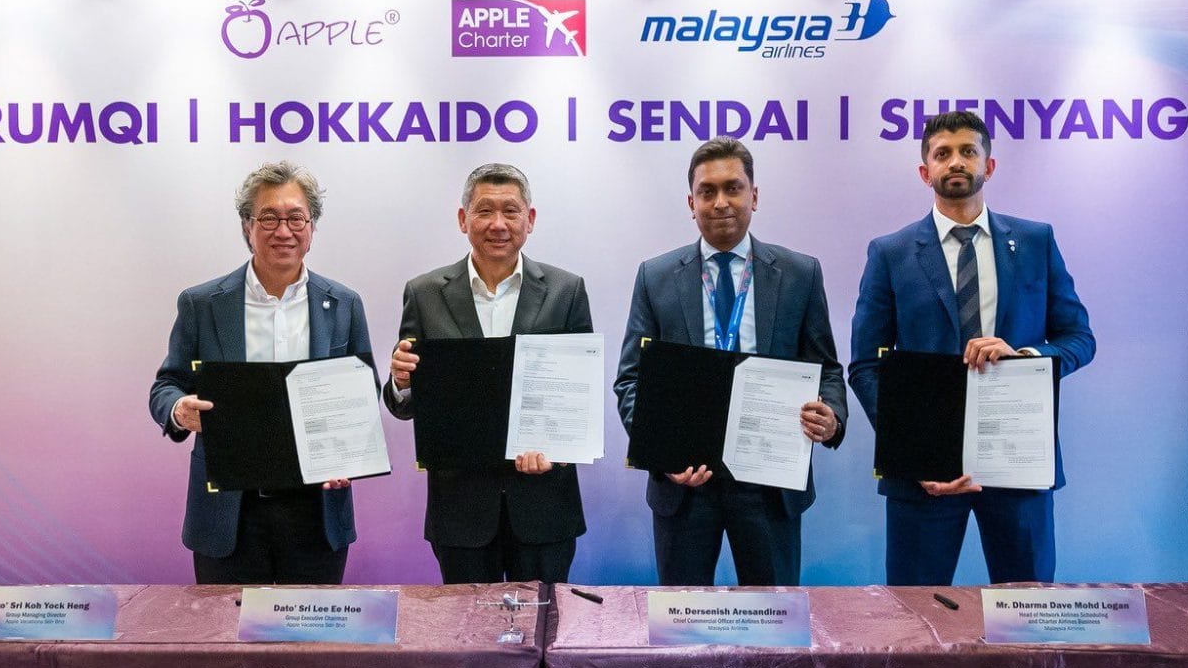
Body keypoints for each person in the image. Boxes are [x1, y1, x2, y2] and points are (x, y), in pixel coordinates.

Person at [849, 110, 1095, 585]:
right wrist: (912, 451)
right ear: (925, 172)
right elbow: (864, 366)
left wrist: (1025, 358)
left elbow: (1079, 339)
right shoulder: (890, 252)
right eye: (943, 154)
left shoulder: (1036, 241)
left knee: (1029, 608)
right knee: (915, 612)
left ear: (989, 165)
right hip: (924, 474)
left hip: (1017, 460)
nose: (956, 162)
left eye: (968, 151)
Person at [613, 138, 846, 585]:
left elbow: (827, 369)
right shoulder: (655, 277)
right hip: (685, 483)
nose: (720, 202)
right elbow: (631, 380)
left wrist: (831, 415)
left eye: (733, 188)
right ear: (691, 203)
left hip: (769, 483)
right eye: (707, 191)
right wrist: (663, 453)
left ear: (754, 196)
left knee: (774, 617)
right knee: (680, 618)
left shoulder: (800, 274)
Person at [149, 162, 374, 584]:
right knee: (225, 629)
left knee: (313, 627)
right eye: (269, 218)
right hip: (229, 514)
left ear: (312, 228)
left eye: (296, 218)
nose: (283, 231)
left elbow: (362, 394)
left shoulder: (344, 304)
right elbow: (166, 385)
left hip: (316, 511)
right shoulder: (203, 304)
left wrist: (348, 453)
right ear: (247, 227)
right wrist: (179, 409)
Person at [384, 163, 593, 583]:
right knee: (466, 625)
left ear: (530, 219)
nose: (498, 224)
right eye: (484, 211)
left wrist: (557, 449)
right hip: (460, 510)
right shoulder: (424, 293)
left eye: (510, 211)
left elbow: (578, 396)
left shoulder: (566, 290)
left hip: (544, 506)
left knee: (544, 621)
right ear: (464, 219)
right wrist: (402, 382)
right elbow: (405, 404)